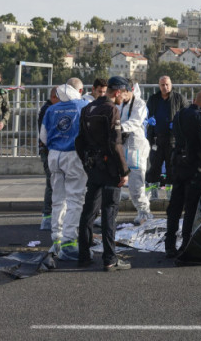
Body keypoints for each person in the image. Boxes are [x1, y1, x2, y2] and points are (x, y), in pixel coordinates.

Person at [76, 76, 131, 271]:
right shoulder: (111, 110)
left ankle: (83, 255)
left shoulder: (87, 109)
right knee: (109, 212)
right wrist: (124, 171)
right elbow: (115, 145)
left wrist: (86, 163)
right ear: (117, 92)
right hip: (109, 168)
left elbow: (79, 141)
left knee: (89, 211)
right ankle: (110, 258)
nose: (124, 99)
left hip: (93, 167)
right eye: (124, 95)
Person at [164, 91, 201, 260]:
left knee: (174, 206)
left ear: (194, 100)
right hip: (195, 166)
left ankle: (169, 245)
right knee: (191, 208)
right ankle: (186, 244)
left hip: (178, 164)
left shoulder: (180, 114)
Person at [39, 78, 89, 260]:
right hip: (73, 155)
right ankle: (69, 243)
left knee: (58, 199)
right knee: (75, 199)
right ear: (79, 90)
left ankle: (57, 239)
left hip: (54, 155)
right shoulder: (83, 106)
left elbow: (43, 137)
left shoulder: (51, 109)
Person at [120, 82, 153, 225]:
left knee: (136, 183)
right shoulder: (119, 104)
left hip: (135, 146)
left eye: (120, 92)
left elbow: (134, 122)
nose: (118, 95)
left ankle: (144, 212)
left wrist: (117, 128)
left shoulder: (139, 104)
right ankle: (108, 213)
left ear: (128, 91)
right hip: (121, 145)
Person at [145, 76, 187, 186]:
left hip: (172, 139)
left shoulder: (179, 98)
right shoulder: (153, 99)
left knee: (171, 167)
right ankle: (152, 194)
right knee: (154, 167)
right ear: (159, 86)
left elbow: (187, 115)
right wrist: (148, 120)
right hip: (156, 138)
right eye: (162, 85)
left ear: (171, 84)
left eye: (167, 84)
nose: (165, 87)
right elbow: (146, 114)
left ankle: (169, 195)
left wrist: (178, 123)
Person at [37, 85, 59, 231]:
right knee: (51, 183)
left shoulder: (50, 108)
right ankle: (47, 215)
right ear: (53, 97)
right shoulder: (48, 110)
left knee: (53, 182)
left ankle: (50, 215)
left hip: (50, 150)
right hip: (48, 150)